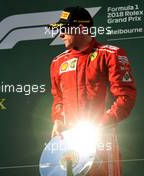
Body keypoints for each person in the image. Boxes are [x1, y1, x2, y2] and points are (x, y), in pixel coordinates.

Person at [49, 6, 136, 175]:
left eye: (64, 29)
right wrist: (58, 120)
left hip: (102, 140)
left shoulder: (111, 54)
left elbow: (125, 97)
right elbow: (58, 98)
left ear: (81, 28)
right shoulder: (57, 63)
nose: (60, 34)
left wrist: (100, 124)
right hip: (71, 142)